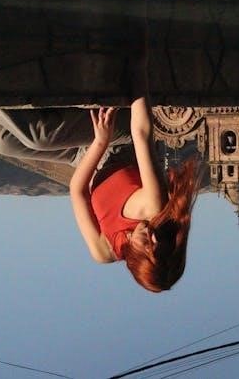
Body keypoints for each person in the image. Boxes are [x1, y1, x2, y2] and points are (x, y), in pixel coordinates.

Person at [69, 97, 200, 293]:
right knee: (37, 136)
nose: (154, 237)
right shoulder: (153, 208)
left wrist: (100, 142)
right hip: (121, 143)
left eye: (149, 246)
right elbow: (140, 134)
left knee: (19, 145)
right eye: (162, 243)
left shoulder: (104, 251)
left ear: (135, 259)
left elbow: (77, 191)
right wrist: (139, 84)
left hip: (90, 157)